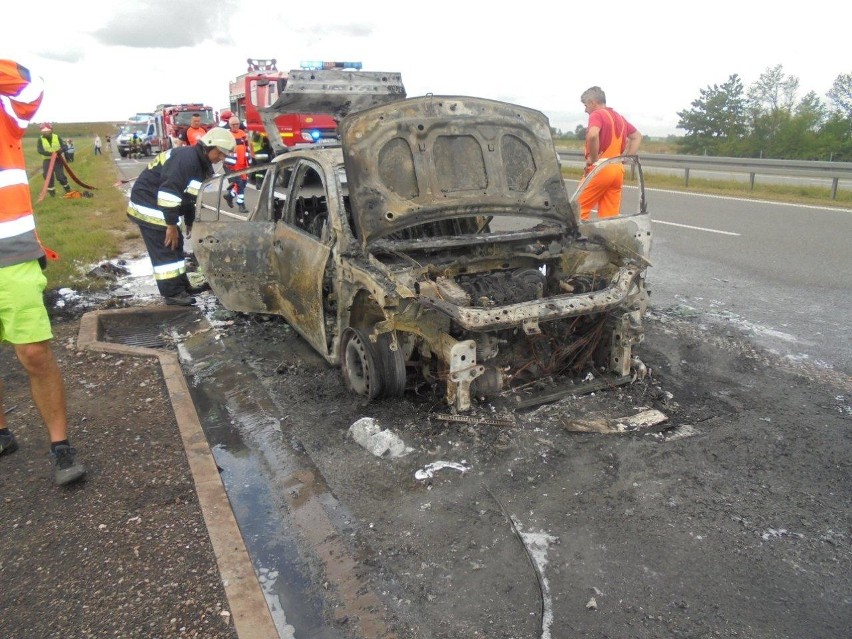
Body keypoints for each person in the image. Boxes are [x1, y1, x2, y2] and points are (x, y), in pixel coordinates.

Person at [0, 59, 86, 485]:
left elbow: (32, 85)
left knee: (33, 353)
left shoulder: (5, 110)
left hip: (10, 254)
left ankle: (60, 445)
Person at [127, 127, 235, 306]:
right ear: (209, 146)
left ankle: (182, 286)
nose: (221, 158)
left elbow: (189, 196)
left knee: (175, 247)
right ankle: (172, 294)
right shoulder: (186, 160)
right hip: (150, 204)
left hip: (162, 205)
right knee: (165, 248)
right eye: (220, 153)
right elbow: (169, 192)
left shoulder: (201, 164)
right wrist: (170, 225)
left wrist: (189, 220)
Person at [578, 86, 642, 220]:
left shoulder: (597, 114)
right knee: (609, 218)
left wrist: (594, 159)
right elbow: (637, 136)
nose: (585, 110)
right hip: (617, 170)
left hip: (600, 169)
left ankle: (573, 240)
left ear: (592, 103)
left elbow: (593, 135)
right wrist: (624, 159)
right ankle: (609, 240)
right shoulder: (619, 118)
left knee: (577, 210)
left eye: (585, 105)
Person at [223, 116, 251, 213]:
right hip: (232, 166)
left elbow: (247, 147)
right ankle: (241, 205)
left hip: (243, 164)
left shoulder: (243, 133)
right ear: (229, 125)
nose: (235, 126)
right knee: (239, 185)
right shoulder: (227, 135)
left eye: (237, 124)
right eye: (233, 124)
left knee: (243, 184)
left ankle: (229, 196)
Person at [36, 123, 71, 197]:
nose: (45, 132)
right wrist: (50, 154)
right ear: (41, 131)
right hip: (47, 160)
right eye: (43, 130)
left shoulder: (57, 137)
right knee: (47, 176)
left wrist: (60, 150)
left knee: (60, 176)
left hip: (58, 160)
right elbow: (40, 150)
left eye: (47, 130)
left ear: (51, 130)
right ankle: (52, 194)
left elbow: (65, 147)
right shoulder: (40, 140)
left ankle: (68, 190)